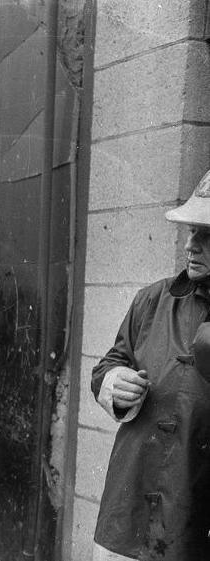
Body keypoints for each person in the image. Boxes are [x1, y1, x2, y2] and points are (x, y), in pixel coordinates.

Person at [90, 170, 210, 560]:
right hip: (132, 504)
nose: (191, 245)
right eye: (193, 230)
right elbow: (112, 361)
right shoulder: (153, 299)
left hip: (195, 511)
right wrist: (113, 381)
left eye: (208, 235)